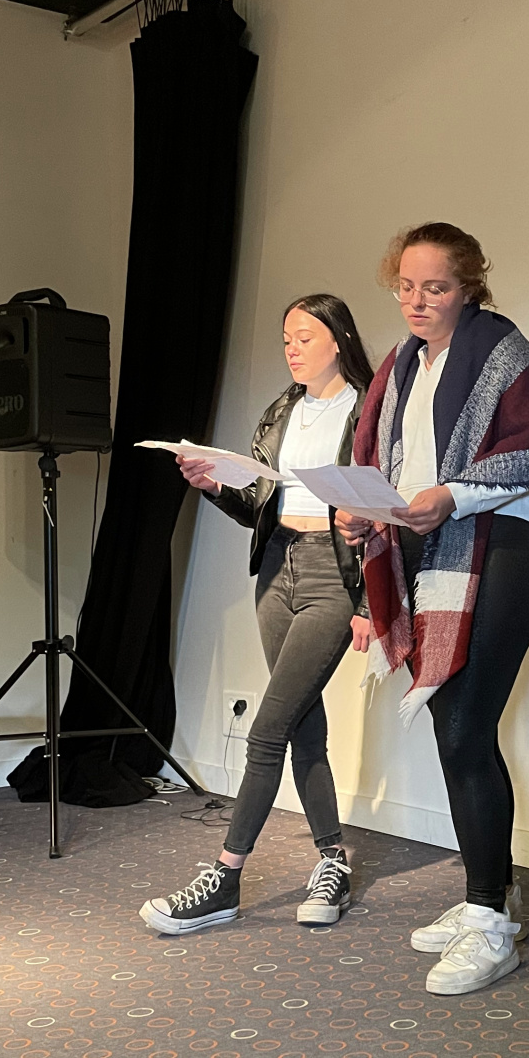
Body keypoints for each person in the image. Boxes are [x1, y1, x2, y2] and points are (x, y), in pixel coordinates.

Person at [340, 222, 529, 996]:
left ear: (468, 286)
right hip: (429, 555)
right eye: (405, 286)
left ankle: (490, 925)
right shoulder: (401, 364)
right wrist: (365, 512)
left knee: (467, 729)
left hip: (497, 553)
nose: (417, 301)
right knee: (455, 735)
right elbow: (389, 465)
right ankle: (492, 895)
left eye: (434, 287)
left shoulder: (506, 354)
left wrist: (453, 496)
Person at [140, 294, 376, 934]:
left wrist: (367, 603)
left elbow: (385, 511)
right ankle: (333, 861)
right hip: (276, 567)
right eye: (286, 339)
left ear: (338, 339)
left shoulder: (369, 410)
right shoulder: (281, 411)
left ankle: (225, 878)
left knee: (267, 730)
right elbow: (258, 509)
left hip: (334, 573)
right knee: (301, 723)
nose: (292, 349)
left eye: (305, 337)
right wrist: (214, 486)